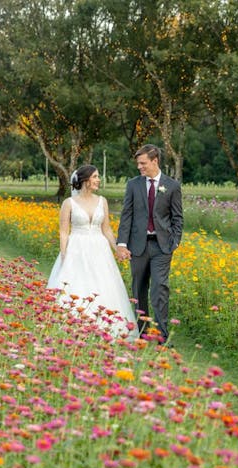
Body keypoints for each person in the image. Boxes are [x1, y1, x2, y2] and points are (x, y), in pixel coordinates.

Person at [47, 165, 138, 337]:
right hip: (77, 249)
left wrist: (117, 248)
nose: (98, 180)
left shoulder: (102, 201)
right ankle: (74, 325)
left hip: (100, 249)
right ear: (85, 180)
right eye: (95, 176)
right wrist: (65, 254)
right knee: (78, 283)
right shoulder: (69, 203)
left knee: (103, 285)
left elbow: (107, 229)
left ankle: (107, 327)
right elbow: (64, 231)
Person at [116, 144, 183, 344]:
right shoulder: (133, 185)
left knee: (160, 289)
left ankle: (162, 336)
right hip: (137, 246)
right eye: (138, 163)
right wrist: (121, 243)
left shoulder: (172, 186)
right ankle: (142, 333)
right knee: (139, 289)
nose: (140, 167)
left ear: (155, 161)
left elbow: (177, 218)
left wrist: (175, 241)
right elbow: (126, 215)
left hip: (162, 247)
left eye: (143, 163)